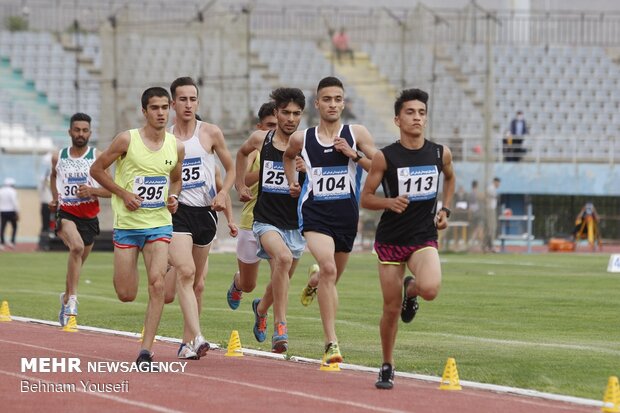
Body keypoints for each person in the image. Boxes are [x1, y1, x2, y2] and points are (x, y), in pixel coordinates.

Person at [360, 88, 455, 389]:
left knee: (430, 288)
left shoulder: (440, 153)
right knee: (390, 308)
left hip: (423, 236)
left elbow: (450, 177)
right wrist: (389, 203)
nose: (417, 118)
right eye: (410, 113)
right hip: (391, 239)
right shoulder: (384, 157)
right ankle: (387, 365)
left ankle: (411, 291)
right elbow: (366, 198)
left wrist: (446, 210)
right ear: (397, 119)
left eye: (421, 113)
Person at [284, 76, 377, 363]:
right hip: (315, 214)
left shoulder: (356, 133)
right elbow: (288, 157)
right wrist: (292, 182)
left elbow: (380, 166)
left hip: (346, 217)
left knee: (329, 277)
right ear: (317, 103)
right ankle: (331, 343)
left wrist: (354, 154)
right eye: (327, 99)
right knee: (329, 268)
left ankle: (314, 281)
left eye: (338, 99)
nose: (333, 104)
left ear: (344, 103)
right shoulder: (303, 138)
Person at [90, 87, 184, 366]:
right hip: (128, 226)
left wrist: (173, 196)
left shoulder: (175, 145)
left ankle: (146, 350)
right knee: (126, 294)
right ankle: (162, 266)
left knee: (157, 286)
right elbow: (96, 169)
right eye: (154, 108)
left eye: (165, 107)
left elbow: (176, 179)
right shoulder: (126, 140)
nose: (161, 113)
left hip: (159, 224)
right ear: (144, 111)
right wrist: (123, 193)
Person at [162, 77, 236, 360]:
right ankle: (199, 337)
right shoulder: (166, 138)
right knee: (187, 273)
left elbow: (230, 170)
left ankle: (186, 342)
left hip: (205, 216)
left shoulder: (210, 133)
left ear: (198, 102)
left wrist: (223, 194)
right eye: (183, 99)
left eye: (193, 99)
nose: (188, 104)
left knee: (195, 284)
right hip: (177, 214)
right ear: (173, 104)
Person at [235, 88, 307, 353]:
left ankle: (261, 308)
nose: (290, 118)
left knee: (283, 276)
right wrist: (239, 184)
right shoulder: (260, 139)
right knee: (284, 259)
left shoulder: (307, 144)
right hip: (265, 220)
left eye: (296, 113)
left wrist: (305, 174)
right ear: (275, 113)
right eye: (285, 112)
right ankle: (281, 327)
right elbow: (242, 154)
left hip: (295, 224)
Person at [50, 113, 111, 326]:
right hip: (66, 213)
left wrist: (92, 190)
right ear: (70, 132)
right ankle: (73, 301)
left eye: (85, 130)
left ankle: (66, 297)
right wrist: (54, 198)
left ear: (90, 133)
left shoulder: (98, 157)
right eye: (77, 130)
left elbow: (112, 190)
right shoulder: (59, 156)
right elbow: (53, 176)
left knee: (77, 264)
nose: (80, 134)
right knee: (75, 248)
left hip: (89, 218)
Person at [0, 177, 19, 250]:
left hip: (2, 211)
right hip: (11, 211)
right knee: (14, 226)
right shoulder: (13, 191)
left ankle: (2, 243)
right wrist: (17, 212)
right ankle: (12, 242)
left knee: (2, 227)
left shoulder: (1, 190)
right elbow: (15, 202)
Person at [483, 177, 501, 253]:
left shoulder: (493, 189)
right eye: (498, 183)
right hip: (490, 210)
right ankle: (489, 246)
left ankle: (488, 245)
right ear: (495, 182)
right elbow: (486, 198)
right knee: (491, 228)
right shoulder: (491, 188)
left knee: (491, 228)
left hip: (492, 209)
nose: (499, 185)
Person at [467, 180, 484, 250]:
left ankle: (474, 243)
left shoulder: (471, 194)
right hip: (477, 213)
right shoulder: (476, 194)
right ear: (477, 186)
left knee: (477, 229)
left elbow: (470, 206)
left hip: (474, 213)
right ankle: (475, 244)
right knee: (478, 229)